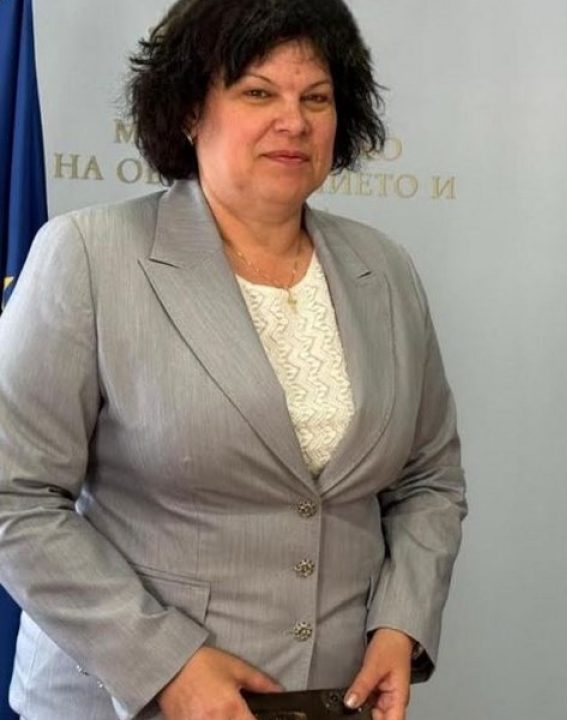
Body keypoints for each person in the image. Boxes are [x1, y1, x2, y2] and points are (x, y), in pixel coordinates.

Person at [0, 1, 466, 719]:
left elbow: (428, 481)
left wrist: (401, 623)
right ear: (190, 110)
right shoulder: (91, 256)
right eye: (258, 92)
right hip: (127, 700)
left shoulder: (385, 269)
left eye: (317, 98)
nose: (294, 121)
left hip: (332, 696)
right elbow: (15, 496)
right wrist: (164, 664)